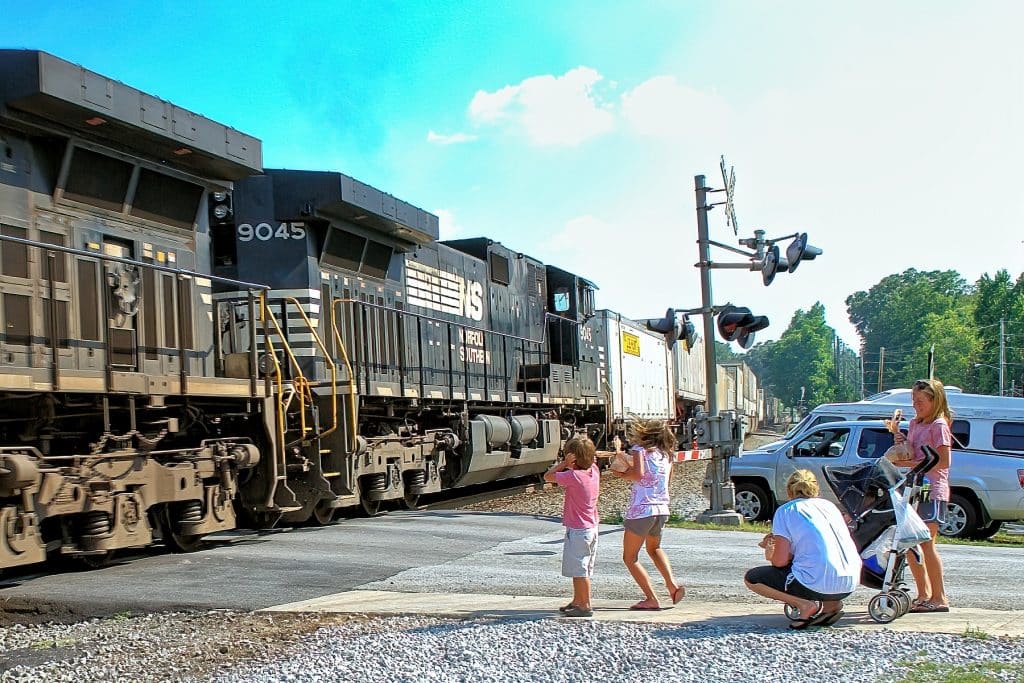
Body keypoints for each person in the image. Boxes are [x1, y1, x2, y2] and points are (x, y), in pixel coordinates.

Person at [744, 469, 861, 629]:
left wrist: (770, 552)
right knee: (819, 564)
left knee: (752, 578)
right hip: (849, 582)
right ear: (816, 488)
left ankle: (804, 605)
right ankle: (831, 605)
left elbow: (780, 561)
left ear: (788, 490)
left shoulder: (785, 511)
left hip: (816, 583)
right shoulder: (830, 507)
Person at [609, 418, 685, 610]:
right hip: (661, 509)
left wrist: (622, 475)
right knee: (654, 549)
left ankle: (651, 598)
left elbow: (639, 474)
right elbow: (664, 482)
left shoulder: (639, 450)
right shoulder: (667, 456)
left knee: (630, 557)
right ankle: (672, 585)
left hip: (642, 510)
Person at [890, 377, 952, 613]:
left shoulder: (939, 426)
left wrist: (912, 462)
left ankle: (939, 597)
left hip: (931, 490)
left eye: (921, 401)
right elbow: (915, 451)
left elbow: (943, 461)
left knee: (926, 543)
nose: (916, 405)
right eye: (913, 400)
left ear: (934, 401)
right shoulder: (916, 423)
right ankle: (924, 594)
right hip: (913, 489)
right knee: (911, 544)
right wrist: (901, 440)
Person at [544, 436, 601, 618]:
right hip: (591, 527)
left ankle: (585, 605)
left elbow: (548, 477)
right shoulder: (594, 470)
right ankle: (578, 600)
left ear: (573, 458)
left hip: (579, 530)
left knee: (579, 569)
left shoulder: (574, 476)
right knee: (581, 568)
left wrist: (563, 463)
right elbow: (590, 460)